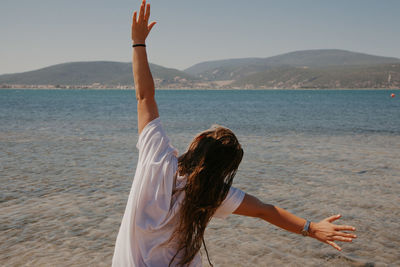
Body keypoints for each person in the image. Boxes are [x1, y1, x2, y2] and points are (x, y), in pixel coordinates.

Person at [112, 1, 357, 266]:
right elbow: (265, 210)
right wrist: (312, 228)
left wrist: (138, 42)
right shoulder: (212, 194)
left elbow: (144, 96)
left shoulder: (156, 158)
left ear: (200, 141)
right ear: (224, 170)